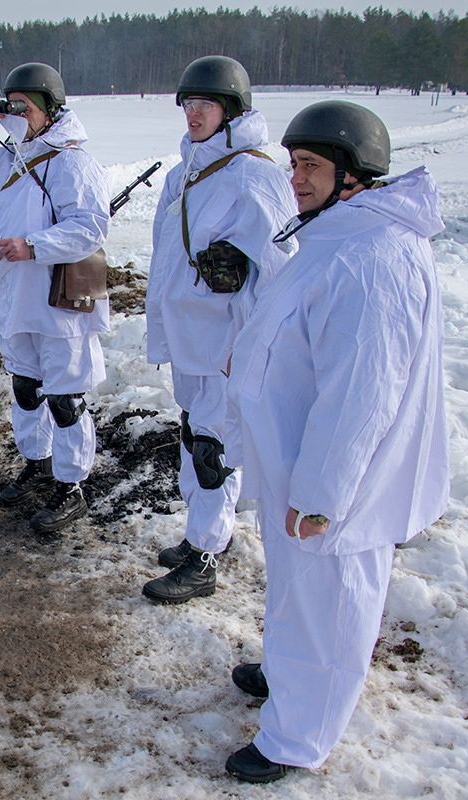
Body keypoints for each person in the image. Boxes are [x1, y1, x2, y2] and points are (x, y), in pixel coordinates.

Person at [222, 100, 449, 782]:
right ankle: (293, 674)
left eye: (311, 166)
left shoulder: (373, 257)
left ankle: (299, 734)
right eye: (293, 164)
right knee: (299, 589)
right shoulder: (335, 238)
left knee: (332, 597)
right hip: (296, 457)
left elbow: (362, 395)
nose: (295, 178)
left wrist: (322, 495)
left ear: (354, 173)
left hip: (334, 480)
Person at [140, 56, 297, 604]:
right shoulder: (185, 172)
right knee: (195, 433)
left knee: (212, 446)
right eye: (188, 104)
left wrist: (252, 346)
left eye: (206, 104)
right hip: (191, 337)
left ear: (231, 111)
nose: (194, 114)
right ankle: (201, 535)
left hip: (227, 342)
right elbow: (166, 256)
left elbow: (281, 271)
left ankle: (205, 556)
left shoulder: (257, 175)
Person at [0, 62, 110, 532]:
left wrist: (32, 246)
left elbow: (91, 227)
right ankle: (38, 463)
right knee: (27, 389)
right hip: (13, 298)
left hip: (57, 300)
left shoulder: (73, 162)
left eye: (23, 104)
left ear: (50, 109)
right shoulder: (6, 161)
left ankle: (70, 485)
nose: (15, 112)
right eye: (10, 103)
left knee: (65, 397)